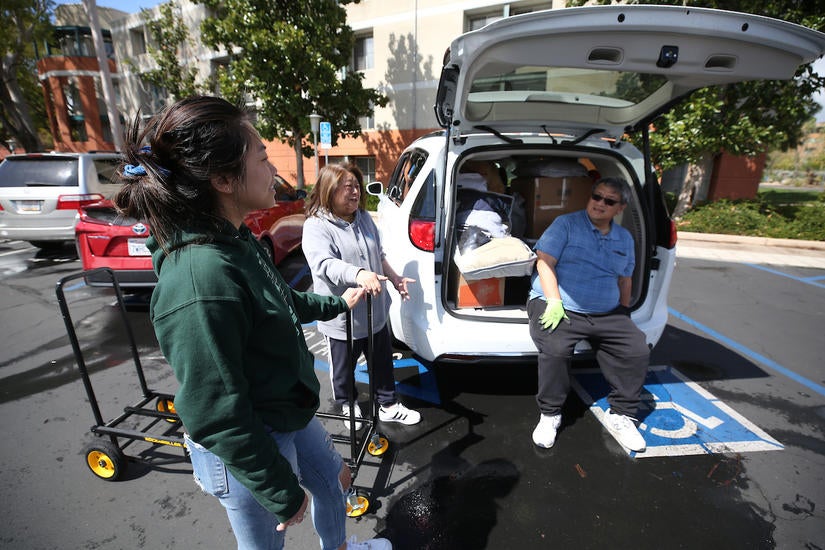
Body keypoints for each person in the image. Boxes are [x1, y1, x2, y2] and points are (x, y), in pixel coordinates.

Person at [112, 96, 391, 550]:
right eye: (262, 158)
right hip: (247, 442)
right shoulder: (199, 279)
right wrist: (279, 489)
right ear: (223, 179)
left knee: (336, 480)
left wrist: (336, 303)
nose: (272, 169)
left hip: (285, 410)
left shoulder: (235, 239)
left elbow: (279, 302)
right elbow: (216, 414)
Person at [527, 177, 649, 453]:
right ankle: (550, 414)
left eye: (609, 201)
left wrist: (623, 313)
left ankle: (621, 415)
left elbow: (625, 279)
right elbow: (544, 263)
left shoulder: (624, 238)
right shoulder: (566, 224)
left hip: (606, 312)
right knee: (556, 350)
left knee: (636, 349)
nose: (600, 204)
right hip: (560, 305)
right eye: (596, 196)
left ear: (620, 208)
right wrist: (554, 301)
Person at [303, 163, 421, 429]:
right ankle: (348, 404)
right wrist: (357, 274)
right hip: (343, 316)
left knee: (382, 361)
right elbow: (323, 264)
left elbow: (378, 255)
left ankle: (389, 405)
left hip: (375, 311)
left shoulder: (364, 217)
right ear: (328, 191)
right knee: (343, 369)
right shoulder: (316, 226)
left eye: (356, 185)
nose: (355, 192)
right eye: (347, 187)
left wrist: (395, 278)